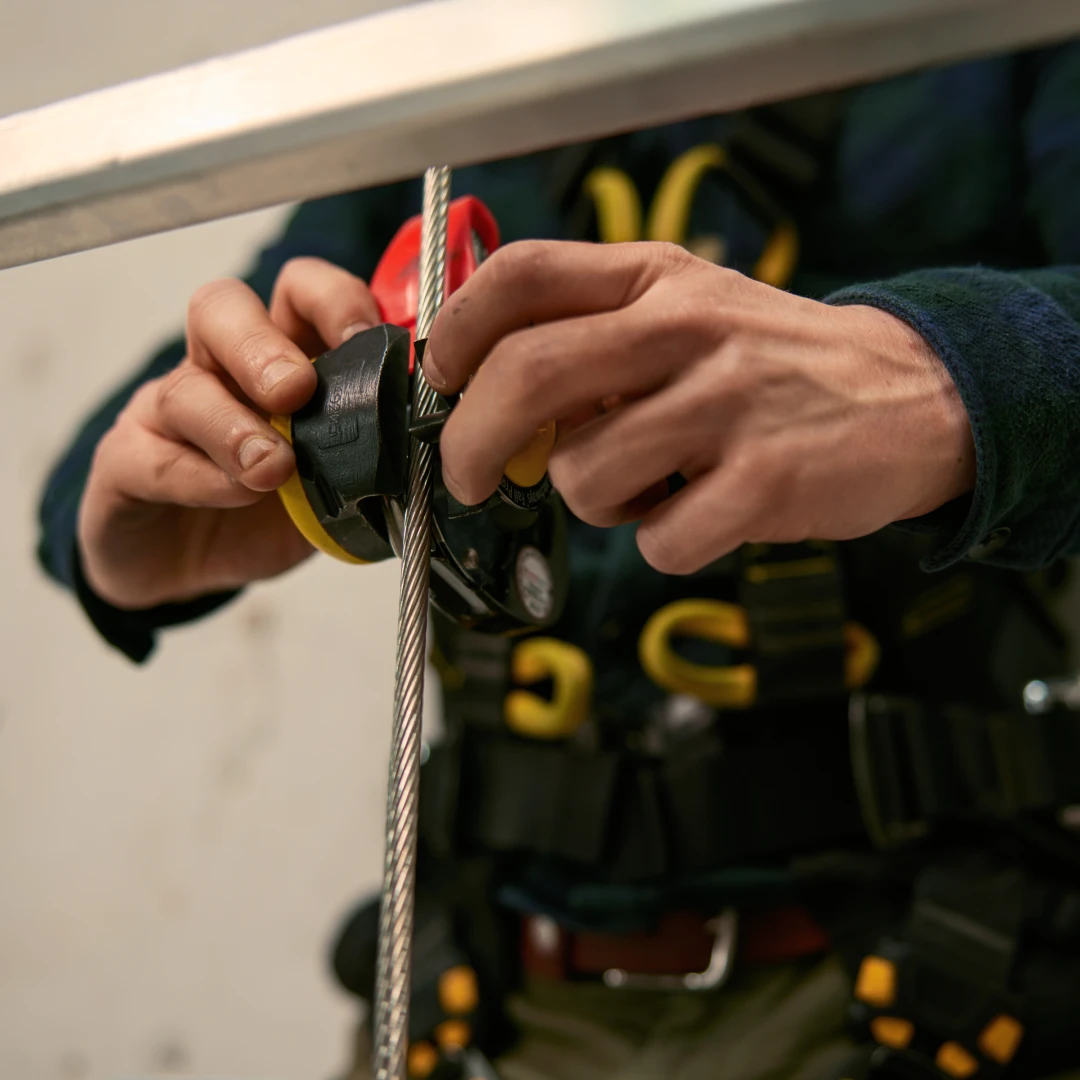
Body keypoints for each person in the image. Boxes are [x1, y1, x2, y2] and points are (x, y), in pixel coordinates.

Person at [38, 39, 1080, 1080]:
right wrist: (118, 533)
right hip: (486, 999)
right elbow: (107, 468)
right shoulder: (463, 75)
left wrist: (947, 375)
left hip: (940, 971)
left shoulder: (982, 31)